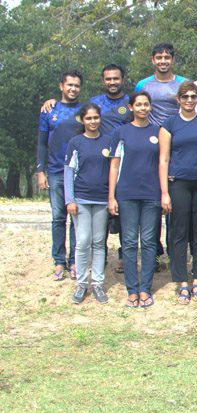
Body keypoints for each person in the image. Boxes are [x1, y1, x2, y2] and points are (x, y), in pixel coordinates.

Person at [159, 81, 197, 304]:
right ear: (178, 99)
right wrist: (164, 192)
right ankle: (182, 281)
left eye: (193, 96)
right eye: (185, 97)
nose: (189, 100)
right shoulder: (169, 124)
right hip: (178, 183)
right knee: (178, 233)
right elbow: (163, 159)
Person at [108, 91, 162, 308]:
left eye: (146, 104)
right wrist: (111, 197)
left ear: (150, 107)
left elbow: (163, 163)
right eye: (138, 104)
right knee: (129, 242)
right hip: (127, 194)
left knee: (149, 242)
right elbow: (114, 166)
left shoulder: (158, 132)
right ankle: (132, 290)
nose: (142, 108)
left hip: (152, 194)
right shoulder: (121, 133)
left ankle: (145, 289)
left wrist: (164, 193)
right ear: (131, 107)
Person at [64, 104, 113, 304]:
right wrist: (70, 200)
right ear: (83, 120)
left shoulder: (108, 141)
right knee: (83, 241)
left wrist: (112, 198)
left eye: (96, 118)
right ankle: (82, 284)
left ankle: (98, 283)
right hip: (81, 200)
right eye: (89, 118)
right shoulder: (75, 143)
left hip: (102, 200)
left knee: (99, 242)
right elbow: (68, 172)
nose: (93, 121)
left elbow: (114, 171)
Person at [37, 69, 82, 281]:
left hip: (79, 172)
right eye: (69, 84)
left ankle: (74, 261)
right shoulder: (49, 110)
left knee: (76, 218)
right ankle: (59, 261)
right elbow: (41, 143)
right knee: (58, 218)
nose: (73, 88)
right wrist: (40, 170)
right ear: (61, 86)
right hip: (55, 171)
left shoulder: (85, 110)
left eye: (77, 85)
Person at [135, 43, 189, 126]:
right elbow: (135, 112)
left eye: (167, 57)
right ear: (153, 60)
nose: (163, 61)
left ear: (173, 59)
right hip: (151, 132)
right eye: (159, 58)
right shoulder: (142, 85)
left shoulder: (185, 84)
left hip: (179, 131)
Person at [89, 64, 131, 135]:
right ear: (103, 81)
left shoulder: (131, 103)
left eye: (116, 79)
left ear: (123, 80)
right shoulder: (94, 102)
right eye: (108, 79)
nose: (112, 82)